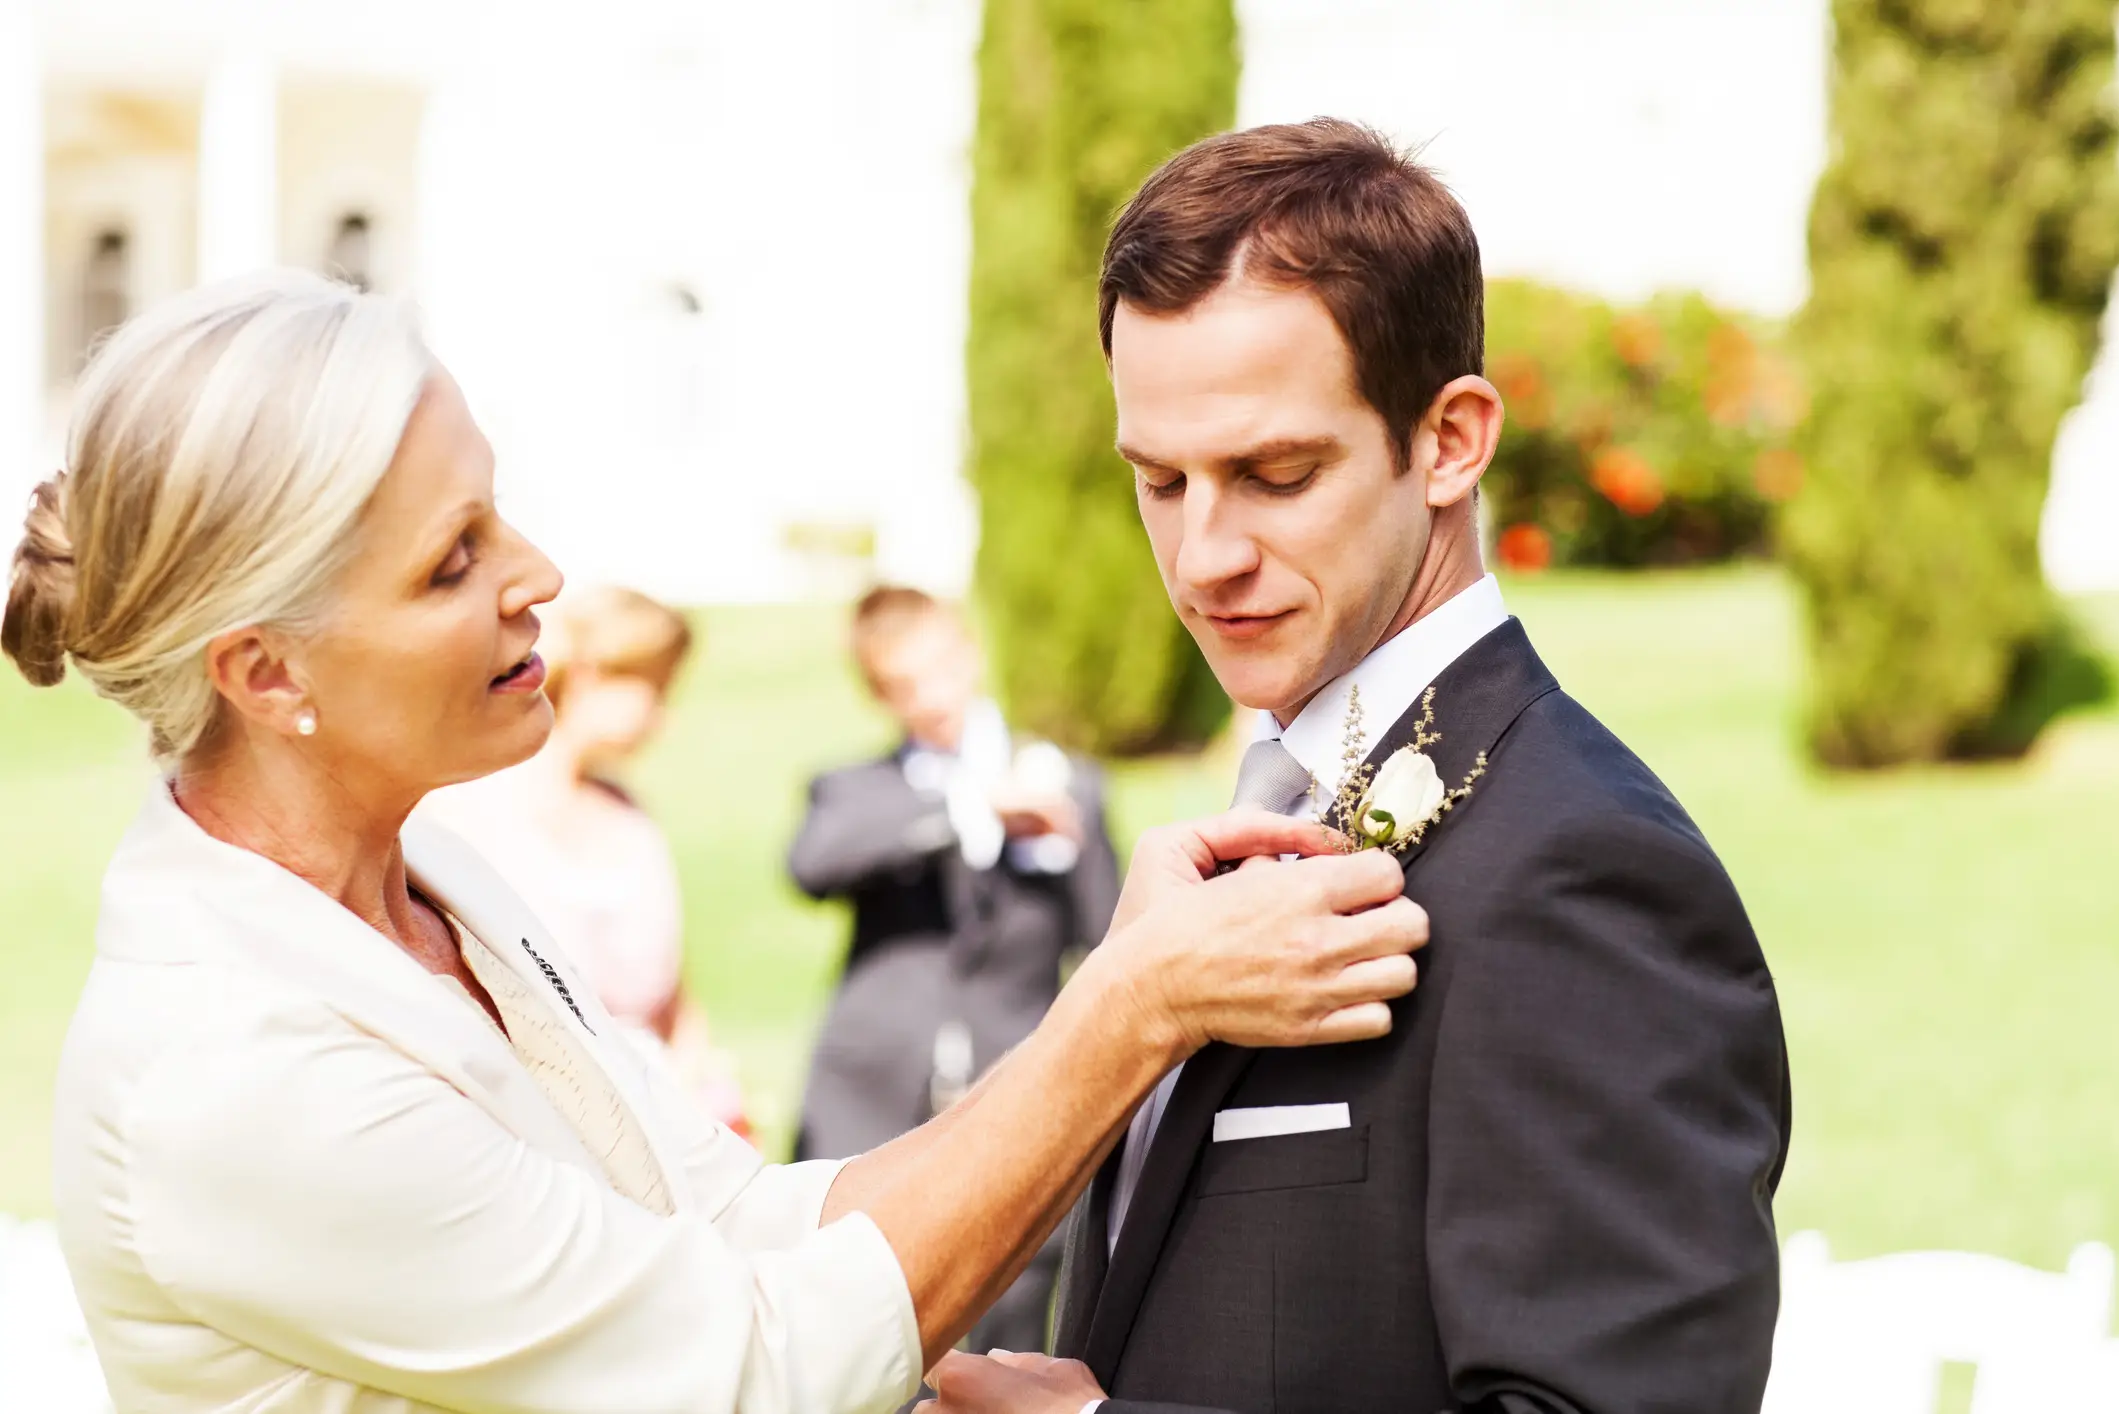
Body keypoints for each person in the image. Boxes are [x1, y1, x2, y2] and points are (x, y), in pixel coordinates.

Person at [3, 271, 1431, 1414]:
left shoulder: (431, 888)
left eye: (495, 513)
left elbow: (740, 1222)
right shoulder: (233, 1075)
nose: (537, 575)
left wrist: (1122, 972)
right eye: (451, 560)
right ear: (267, 673)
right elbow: (755, 1372)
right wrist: (1135, 1013)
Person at [924, 120, 1792, 1414]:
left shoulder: (1580, 872)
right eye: (1159, 481)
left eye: (1274, 474)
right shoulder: (1260, 816)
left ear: (1450, 440)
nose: (1203, 555)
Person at [789, 585, 1121, 1356]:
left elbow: (1106, 937)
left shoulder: (1065, 781)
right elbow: (813, 864)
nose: (931, 699)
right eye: (903, 685)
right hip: (872, 1101)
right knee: (861, 1329)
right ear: (877, 693)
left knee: (1015, 1318)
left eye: (940, 671)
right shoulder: (853, 792)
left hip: (1013, 1084)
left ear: (969, 654)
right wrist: (972, 811)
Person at [422, 584, 750, 1137]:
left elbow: (675, 995)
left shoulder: (628, 814)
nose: (663, 717)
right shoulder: (468, 813)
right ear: (593, 675)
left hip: (660, 1108)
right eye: (654, 689)